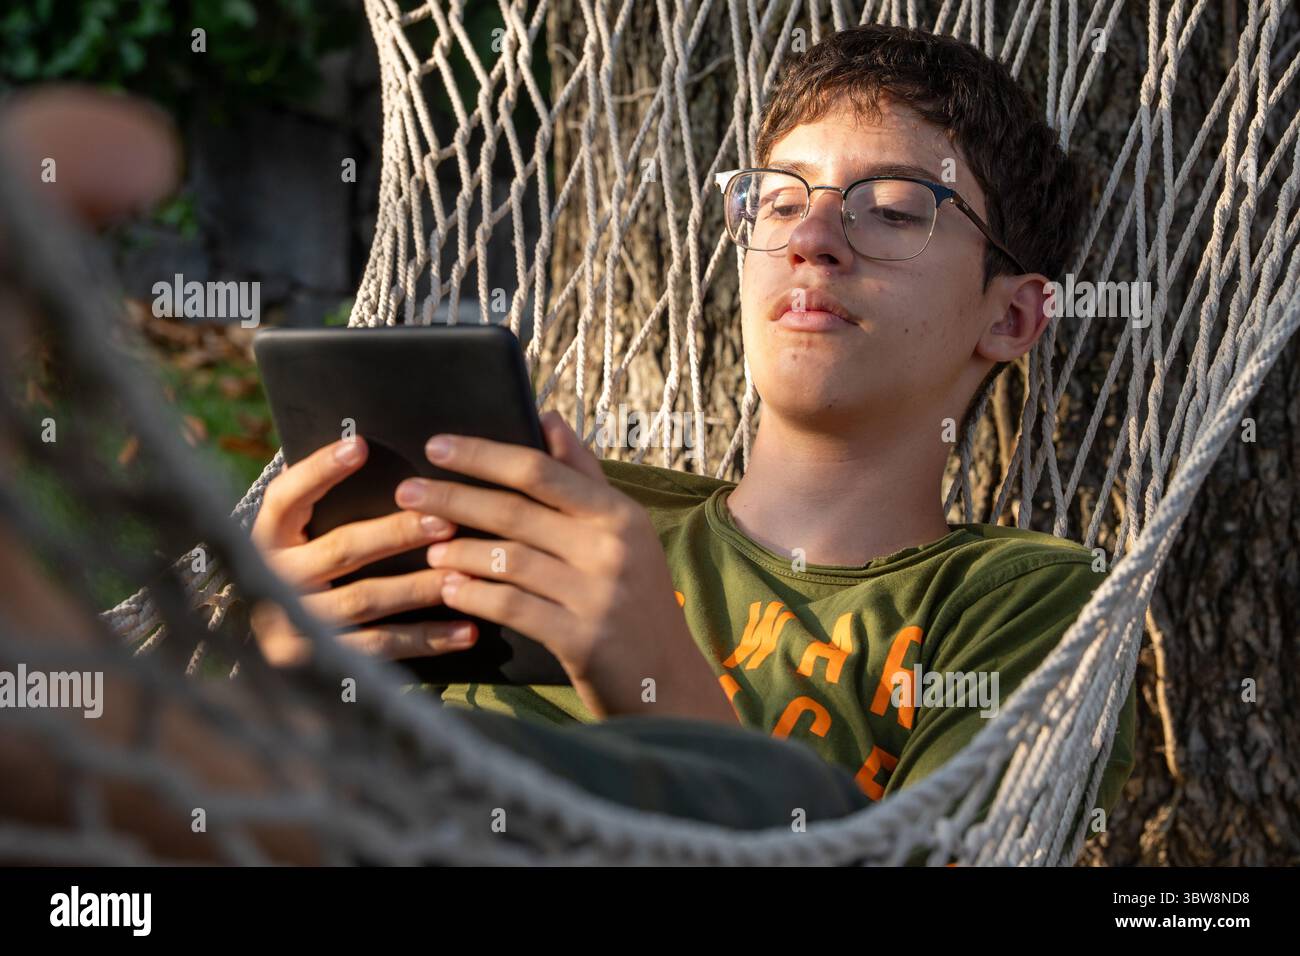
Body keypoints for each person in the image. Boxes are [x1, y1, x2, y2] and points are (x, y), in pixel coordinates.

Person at [248, 23, 1135, 841]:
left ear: (1015, 318)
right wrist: (291, 678)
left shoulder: (1026, 606)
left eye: (896, 210)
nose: (814, 238)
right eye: (780, 203)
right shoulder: (574, 504)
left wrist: (649, 675)